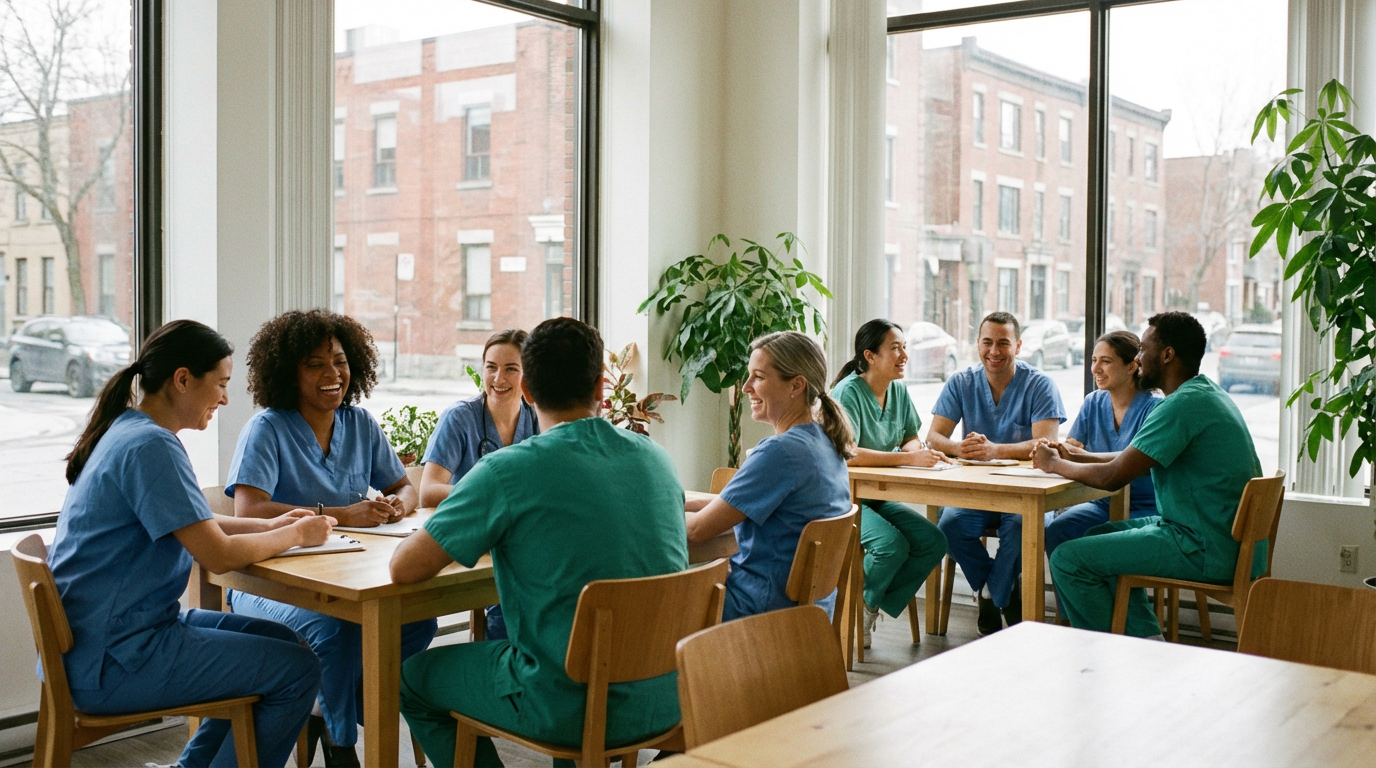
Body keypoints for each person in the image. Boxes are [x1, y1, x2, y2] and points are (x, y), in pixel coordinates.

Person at [391, 317, 688, 768]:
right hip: (664, 695)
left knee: (411, 678)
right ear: (601, 389)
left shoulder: (506, 472)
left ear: (526, 389)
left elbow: (403, 569)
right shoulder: (658, 459)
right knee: (567, 646)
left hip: (565, 706)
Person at [48, 319, 330, 768]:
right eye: (220, 384)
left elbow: (197, 523)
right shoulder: (151, 447)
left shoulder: (128, 430)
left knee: (289, 645)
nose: (224, 397)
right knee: (297, 671)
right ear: (183, 380)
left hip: (102, 643)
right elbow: (215, 553)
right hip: (114, 660)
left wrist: (274, 524)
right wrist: (295, 534)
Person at [224, 309, 436, 767]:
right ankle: (343, 747)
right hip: (267, 587)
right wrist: (343, 515)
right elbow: (249, 511)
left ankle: (323, 701)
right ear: (288, 372)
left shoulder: (359, 423)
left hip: (344, 580)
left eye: (339, 361)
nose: (332, 374)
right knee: (333, 630)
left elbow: (405, 485)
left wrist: (400, 502)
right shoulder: (267, 429)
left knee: (419, 621)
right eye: (315, 363)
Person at [1035, 311, 1263, 637]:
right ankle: (1146, 640)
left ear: (1167, 355)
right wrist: (1078, 455)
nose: (1138, 359)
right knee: (1093, 538)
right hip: (1219, 539)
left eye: (1142, 349)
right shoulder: (1203, 394)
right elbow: (1134, 456)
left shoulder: (1178, 407)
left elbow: (1113, 477)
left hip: (1202, 547)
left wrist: (1053, 464)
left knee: (1068, 559)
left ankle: (1107, 650)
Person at [686, 331, 855, 621]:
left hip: (760, 610)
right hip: (808, 612)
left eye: (759, 377)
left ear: (796, 386)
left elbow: (698, 530)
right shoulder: (824, 441)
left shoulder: (781, 452)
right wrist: (673, 501)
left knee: (654, 608)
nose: (746, 387)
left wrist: (651, 513)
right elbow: (730, 505)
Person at [926, 312, 1065, 635]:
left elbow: (1048, 443)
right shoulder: (961, 382)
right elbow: (934, 437)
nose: (994, 351)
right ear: (977, 344)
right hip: (977, 489)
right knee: (949, 526)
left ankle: (990, 594)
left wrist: (996, 449)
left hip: (1026, 493)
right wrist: (959, 448)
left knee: (1021, 528)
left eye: (1004, 343)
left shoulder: (1040, 385)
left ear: (1018, 345)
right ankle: (1000, 587)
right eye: (987, 342)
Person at [829, 319, 950, 647]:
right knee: (889, 547)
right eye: (895, 348)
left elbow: (910, 436)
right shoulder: (847, 393)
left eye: (904, 347)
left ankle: (868, 602)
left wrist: (921, 453)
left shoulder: (897, 390)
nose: (904, 355)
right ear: (869, 355)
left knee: (933, 541)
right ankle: (857, 609)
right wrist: (909, 459)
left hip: (878, 494)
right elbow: (849, 454)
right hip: (844, 497)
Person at [420, 329, 538, 640]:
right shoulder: (460, 418)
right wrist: (490, 498)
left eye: (511, 368)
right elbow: (429, 491)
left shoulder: (537, 418)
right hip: (473, 537)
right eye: (491, 367)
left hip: (518, 540)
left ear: (527, 375)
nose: (499, 377)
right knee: (509, 608)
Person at [1030, 331, 1160, 559]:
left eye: (1106, 361)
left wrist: (1073, 456)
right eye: (1093, 360)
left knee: (1103, 540)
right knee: (1057, 531)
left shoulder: (1155, 409)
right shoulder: (1093, 402)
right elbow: (1071, 448)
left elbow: (1134, 460)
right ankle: (1076, 596)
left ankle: (1114, 595)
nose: (1095, 369)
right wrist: (1058, 450)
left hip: (1145, 507)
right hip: (1101, 503)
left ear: (1132, 366)